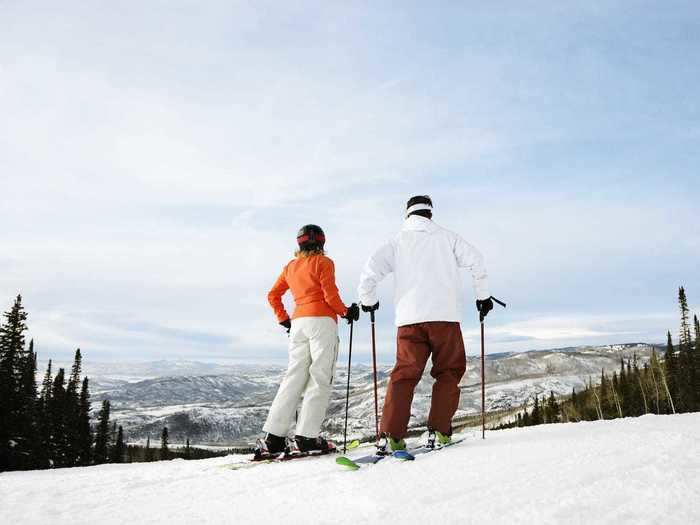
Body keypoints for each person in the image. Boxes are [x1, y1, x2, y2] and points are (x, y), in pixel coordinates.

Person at [358, 195, 492, 451]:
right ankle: (440, 432)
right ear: (430, 213)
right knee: (448, 373)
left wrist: (368, 301)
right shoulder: (448, 237)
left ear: (407, 214)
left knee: (404, 375)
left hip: (409, 319)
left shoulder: (396, 242)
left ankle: (391, 436)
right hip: (445, 318)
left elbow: (370, 270)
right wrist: (482, 296)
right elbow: (477, 261)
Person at [255, 224, 360, 459]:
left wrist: (285, 320)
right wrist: (345, 312)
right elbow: (329, 295)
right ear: (322, 243)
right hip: (322, 322)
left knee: (293, 378)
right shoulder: (324, 263)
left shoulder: (291, 267)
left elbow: (273, 295)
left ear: (299, 243)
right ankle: (306, 437)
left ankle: (274, 438)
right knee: (320, 377)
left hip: (299, 324)